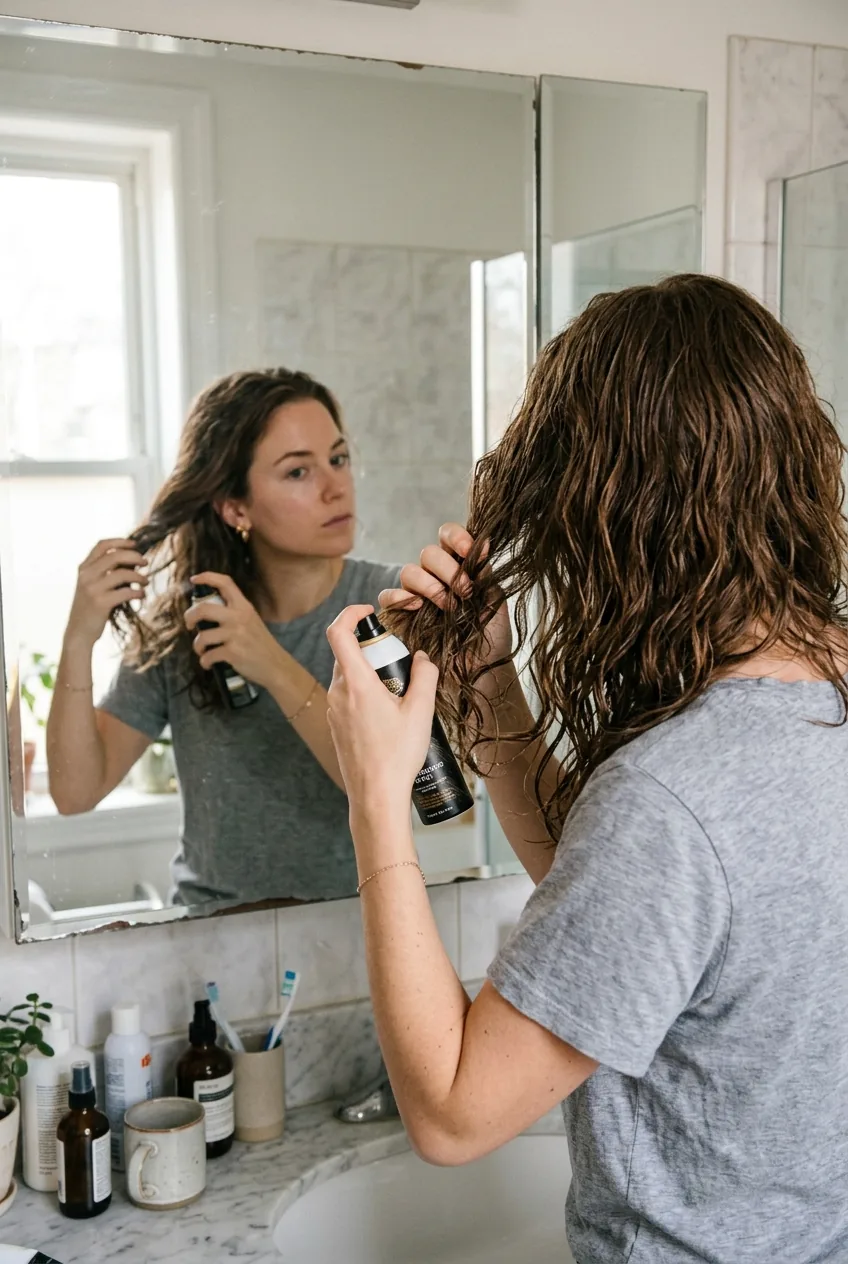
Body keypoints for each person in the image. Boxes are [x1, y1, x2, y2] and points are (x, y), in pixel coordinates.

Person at [326, 275, 848, 1263]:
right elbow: (644, 921)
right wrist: (491, 688)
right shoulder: (820, 694)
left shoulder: (667, 795)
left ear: (616, 517)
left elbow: (449, 1112)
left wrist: (375, 796)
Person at [47, 368, 400, 905]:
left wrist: (273, 665)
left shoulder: (388, 606)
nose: (335, 487)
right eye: (298, 472)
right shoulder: (188, 626)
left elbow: (398, 788)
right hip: (209, 945)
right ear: (235, 508)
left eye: (338, 458)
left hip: (354, 938)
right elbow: (75, 792)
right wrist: (78, 641)